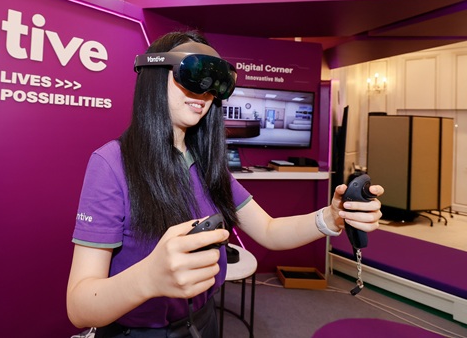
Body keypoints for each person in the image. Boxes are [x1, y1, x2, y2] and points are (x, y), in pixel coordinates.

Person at [66, 30, 383, 338]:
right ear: (154, 74)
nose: (204, 94)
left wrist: (332, 217)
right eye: (192, 76)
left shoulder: (207, 165)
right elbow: (79, 307)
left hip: (203, 322)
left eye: (213, 86)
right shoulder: (112, 164)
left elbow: (269, 231)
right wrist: (148, 278)